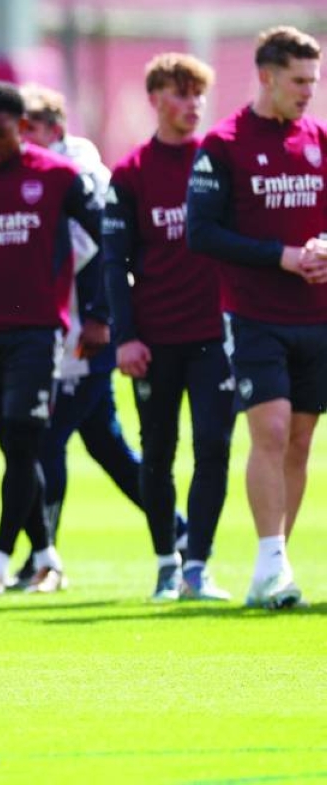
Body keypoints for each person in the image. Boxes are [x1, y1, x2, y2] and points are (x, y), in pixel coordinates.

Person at [0, 81, 109, 595]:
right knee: (15, 449)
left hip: (38, 330)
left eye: (0, 133)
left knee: (22, 439)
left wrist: (99, 315)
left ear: (23, 129)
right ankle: (47, 557)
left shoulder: (58, 178)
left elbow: (105, 239)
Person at [15, 83, 187, 590]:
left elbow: (102, 254)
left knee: (44, 438)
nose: (22, 137)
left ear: (55, 128)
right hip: (65, 330)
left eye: (31, 126)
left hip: (85, 332)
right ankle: (180, 532)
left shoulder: (81, 176)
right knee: (104, 444)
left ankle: (42, 557)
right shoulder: (39, 174)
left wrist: (99, 315)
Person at [187, 26, 327, 610]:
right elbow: (201, 232)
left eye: (314, 82)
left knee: (299, 440)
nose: (308, 93)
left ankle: (275, 568)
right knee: (268, 430)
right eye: (298, 81)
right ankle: (270, 561)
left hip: (317, 317)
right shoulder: (222, 145)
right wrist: (283, 256)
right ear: (266, 76)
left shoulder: (319, 139)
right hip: (253, 314)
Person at [104, 54, 236, 602]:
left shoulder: (221, 164)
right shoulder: (132, 173)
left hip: (216, 336)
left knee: (214, 446)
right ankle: (166, 561)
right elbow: (115, 262)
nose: (191, 105)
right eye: (180, 94)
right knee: (157, 452)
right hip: (155, 340)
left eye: (198, 95)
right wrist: (125, 337)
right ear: (154, 98)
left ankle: (197, 566)